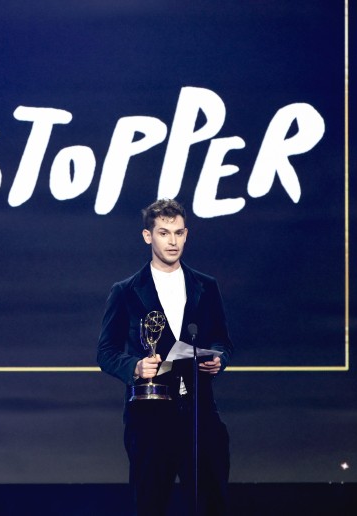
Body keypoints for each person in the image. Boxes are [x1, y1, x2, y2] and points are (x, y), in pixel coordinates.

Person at [97, 198, 233, 515]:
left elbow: (223, 340)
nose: (172, 241)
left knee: (211, 502)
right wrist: (136, 366)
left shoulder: (206, 286)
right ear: (148, 236)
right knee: (150, 503)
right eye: (163, 233)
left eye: (178, 233)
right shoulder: (126, 291)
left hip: (200, 413)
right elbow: (106, 352)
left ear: (187, 234)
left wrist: (220, 359)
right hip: (150, 416)